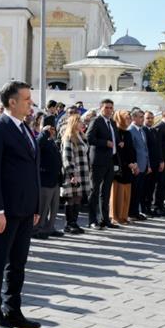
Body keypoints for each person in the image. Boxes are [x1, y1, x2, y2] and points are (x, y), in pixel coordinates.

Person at [0, 79, 42, 328]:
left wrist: (36, 205)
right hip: (5, 210)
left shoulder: (25, 128)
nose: (31, 103)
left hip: (26, 208)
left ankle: (13, 309)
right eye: (26, 99)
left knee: (18, 263)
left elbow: (32, 170)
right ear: (12, 102)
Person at [87, 98, 118, 228]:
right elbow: (89, 137)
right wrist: (105, 143)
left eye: (111, 108)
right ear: (101, 108)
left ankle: (105, 219)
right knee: (94, 191)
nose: (109, 110)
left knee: (105, 192)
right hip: (98, 161)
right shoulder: (96, 121)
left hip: (110, 161)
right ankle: (92, 220)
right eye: (106, 108)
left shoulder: (112, 123)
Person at [59, 111, 90, 234]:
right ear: (74, 123)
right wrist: (72, 173)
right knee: (71, 198)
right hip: (74, 172)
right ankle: (69, 224)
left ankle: (74, 222)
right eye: (80, 121)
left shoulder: (81, 136)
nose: (82, 123)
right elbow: (66, 157)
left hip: (83, 172)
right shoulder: (69, 137)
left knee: (78, 197)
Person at [34, 119, 63, 238]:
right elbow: (37, 145)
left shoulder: (52, 142)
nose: (51, 131)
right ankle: (37, 230)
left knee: (54, 207)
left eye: (52, 129)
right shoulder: (41, 139)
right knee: (43, 208)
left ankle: (50, 228)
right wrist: (44, 133)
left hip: (55, 179)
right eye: (49, 129)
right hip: (45, 180)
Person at [109, 109, 136, 225]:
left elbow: (131, 150)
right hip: (120, 166)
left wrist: (134, 163)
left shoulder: (128, 133)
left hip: (129, 167)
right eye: (126, 117)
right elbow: (118, 152)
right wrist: (127, 163)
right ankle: (115, 216)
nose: (129, 120)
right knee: (117, 193)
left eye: (129, 118)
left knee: (126, 193)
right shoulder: (116, 132)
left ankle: (124, 215)